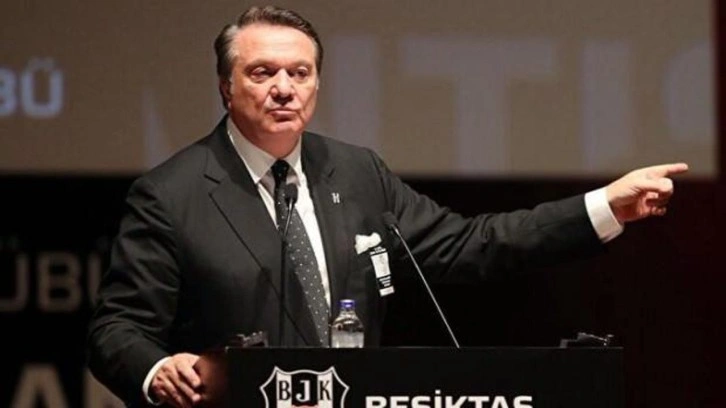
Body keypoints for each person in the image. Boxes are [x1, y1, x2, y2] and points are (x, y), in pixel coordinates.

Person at [86, 5, 688, 408]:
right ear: (227, 86)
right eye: (262, 72)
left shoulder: (357, 172)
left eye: (300, 72)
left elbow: (469, 244)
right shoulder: (172, 193)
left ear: (317, 84)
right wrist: (157, 372)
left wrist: (604, 206)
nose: (284, 88)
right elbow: (116, 328)